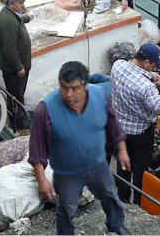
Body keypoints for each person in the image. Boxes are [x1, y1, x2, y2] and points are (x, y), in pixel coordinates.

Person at [28, 61, 131, 235]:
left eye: (74, 88)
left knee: (111, 197)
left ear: (85, 85)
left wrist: (122, 150)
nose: (68, 94)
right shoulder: (45, 110)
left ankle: (116, 225)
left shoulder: (101, 96)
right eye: (64, 87)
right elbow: (37, 148)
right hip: (67, 173)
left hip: (98, 165)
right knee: (66, 209)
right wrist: (41, 180)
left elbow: (113, 125)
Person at [110, 43, 160, 205]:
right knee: (140, 170)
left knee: (123, 166)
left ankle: (122, 198)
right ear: (147, 62)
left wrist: (150, 76)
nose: (154, 68)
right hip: (140, 133)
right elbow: (159, 108)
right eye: (153, 65)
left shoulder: (117, 66)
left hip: (119, 129)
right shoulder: (147, 87)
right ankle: (138, 201)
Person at [0, 0, 32, 135]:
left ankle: (19, 120)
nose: (23, 5)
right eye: (20, 2)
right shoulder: (7, 21)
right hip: (14, 70)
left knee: (18, 94)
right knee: (15, 97)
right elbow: (8, 48)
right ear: (11, 3)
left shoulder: (11, 15)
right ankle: (17, 125)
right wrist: (18, 67)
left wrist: (26, 18)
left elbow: (18, 21)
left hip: (20, 67)